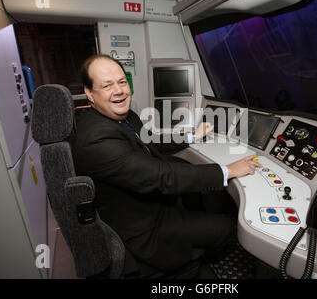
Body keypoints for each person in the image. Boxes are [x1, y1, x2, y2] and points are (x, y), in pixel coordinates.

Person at [72, 54, 262, 277]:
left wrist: (191, 136)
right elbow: (162, 177)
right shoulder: (96, 139)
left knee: (189, 182)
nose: (119, 91)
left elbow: (149, 138)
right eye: (107, 85)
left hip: (147, 206)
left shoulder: (121, 117)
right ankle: (193, 267)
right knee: (225, 227)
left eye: (122, 82)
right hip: (143, 229)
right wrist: (228, 171)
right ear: (89, 93)